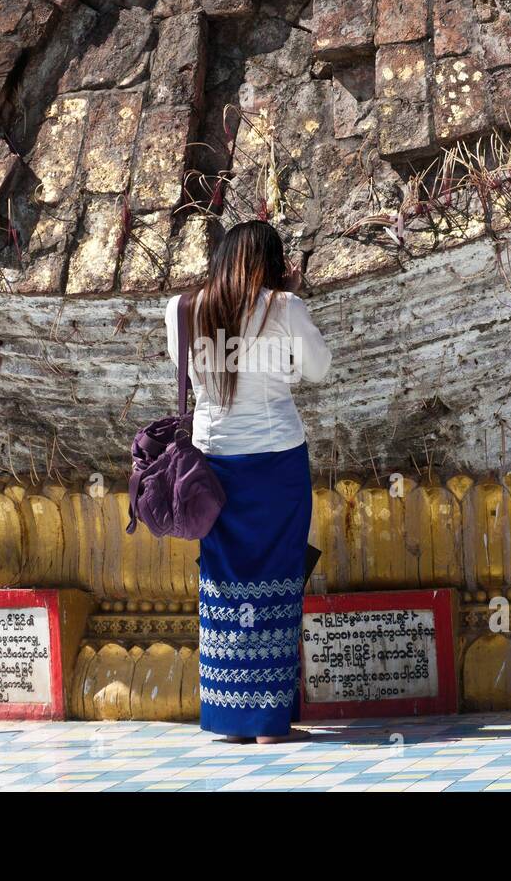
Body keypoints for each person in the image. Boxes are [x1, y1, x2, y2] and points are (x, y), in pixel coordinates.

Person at [166, 220, 332, 745]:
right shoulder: (285, 308)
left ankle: (231, 718)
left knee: (222, 580)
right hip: (277, 462)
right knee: (279, 579)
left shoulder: (183, 309)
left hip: (213, 468)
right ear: (271, 262)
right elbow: (319, 369)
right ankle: (270, 723)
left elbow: (186, 371)